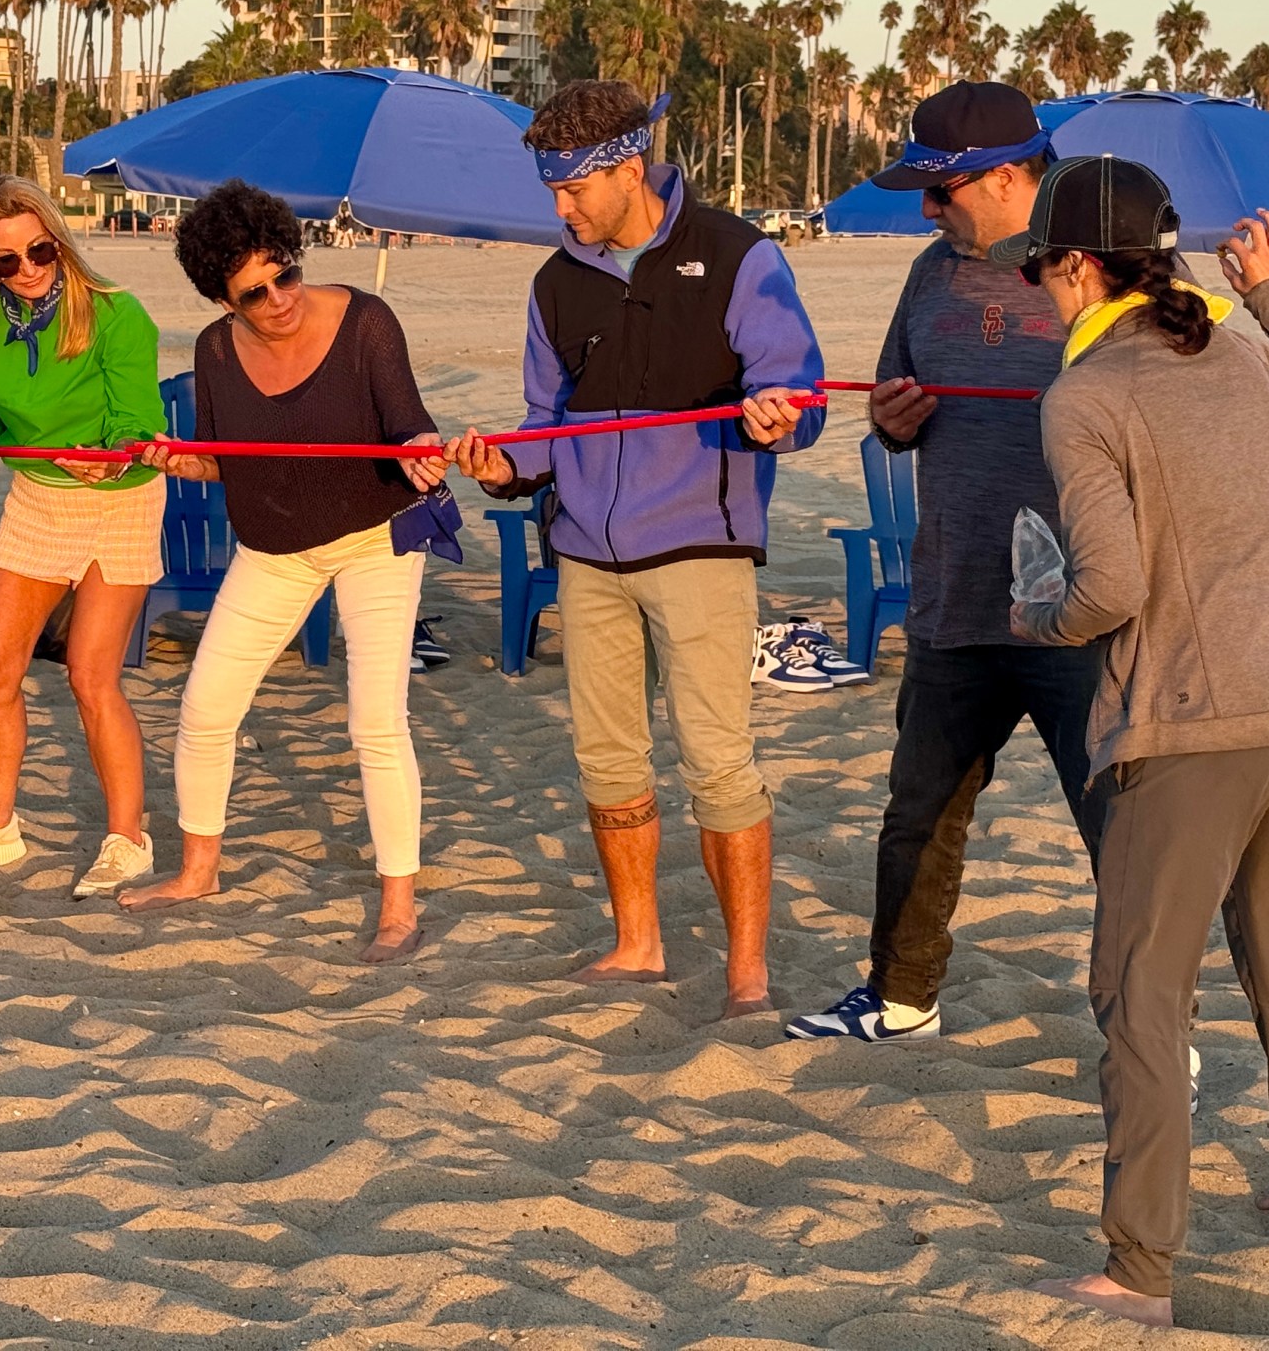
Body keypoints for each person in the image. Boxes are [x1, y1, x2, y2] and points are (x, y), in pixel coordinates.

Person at [1001, 157, 1269, 1327]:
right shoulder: (1236, 344)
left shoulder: (1084, 396)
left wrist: (1034, 614)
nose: (1040, 295)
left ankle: (1139, 1270)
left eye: (1042, 274)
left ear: (1073, 266)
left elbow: (1109, 588)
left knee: (1141, 992)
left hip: (1196, 728)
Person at [449, 79, 824, 1019]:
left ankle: (747, 974)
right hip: (584, 553)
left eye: (573, 190)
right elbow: (546, 423)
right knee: (609, 761)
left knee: (717, 762)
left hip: (700, 544)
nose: (561, 208)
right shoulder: (554, 282)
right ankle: (638, 945)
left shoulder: (740, 253)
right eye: (553, 192)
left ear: (627, 169)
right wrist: (503, 469)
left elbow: (799, 393)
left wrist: (780, 419)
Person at [786, 81, 1105, 1047]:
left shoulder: (1102, 273)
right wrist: (888, 423)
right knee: (918, 813)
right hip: (956, 593)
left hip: (1083, 608)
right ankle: (900, 996)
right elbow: (893, 400)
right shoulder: (930, 274)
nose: (928, 208)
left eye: (944, 189)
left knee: (1123, 835)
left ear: (1009, 177)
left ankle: (1145, 1024)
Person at [115, 182, 447, 962]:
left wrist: (422, 451)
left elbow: (408, 422)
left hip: (376, 537)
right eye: (254, 293)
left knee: (375, 720)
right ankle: (199, 870)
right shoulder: (215, 350)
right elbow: (222, 461)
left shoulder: (366, 321)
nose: (279, 299)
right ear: (225, 301)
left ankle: (398, 904)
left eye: (285, 274)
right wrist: (169, 461)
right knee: (204, 709)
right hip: (274, 550)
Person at [0, 175, 168, 899]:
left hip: (120, 501)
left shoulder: (117, 314)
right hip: (39, 498)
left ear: (58, 240)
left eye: (39, 249)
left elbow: (137, 421)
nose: (28, 268)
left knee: (90, 674)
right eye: (6, 261)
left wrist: (109, 455)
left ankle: (127, 840)